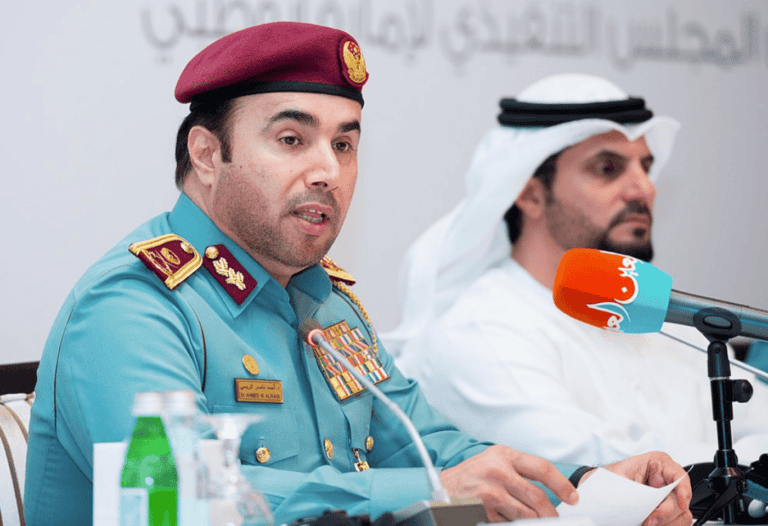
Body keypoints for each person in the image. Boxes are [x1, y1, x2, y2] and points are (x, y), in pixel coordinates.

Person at [24, 27, 692, 526]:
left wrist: (585, 486)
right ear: (206, 154)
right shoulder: (132, 307)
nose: (328, 171)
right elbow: (180, 505)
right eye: (292, 139)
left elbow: (432, 448)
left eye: (344, 144)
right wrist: (434, 495)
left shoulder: (326, 304)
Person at [385, 73, 768, 469]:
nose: (645, 188)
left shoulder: (669, 318)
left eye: (646, 166)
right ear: (531, 195)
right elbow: (611, 473)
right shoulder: (479, 333)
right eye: (607, 168)